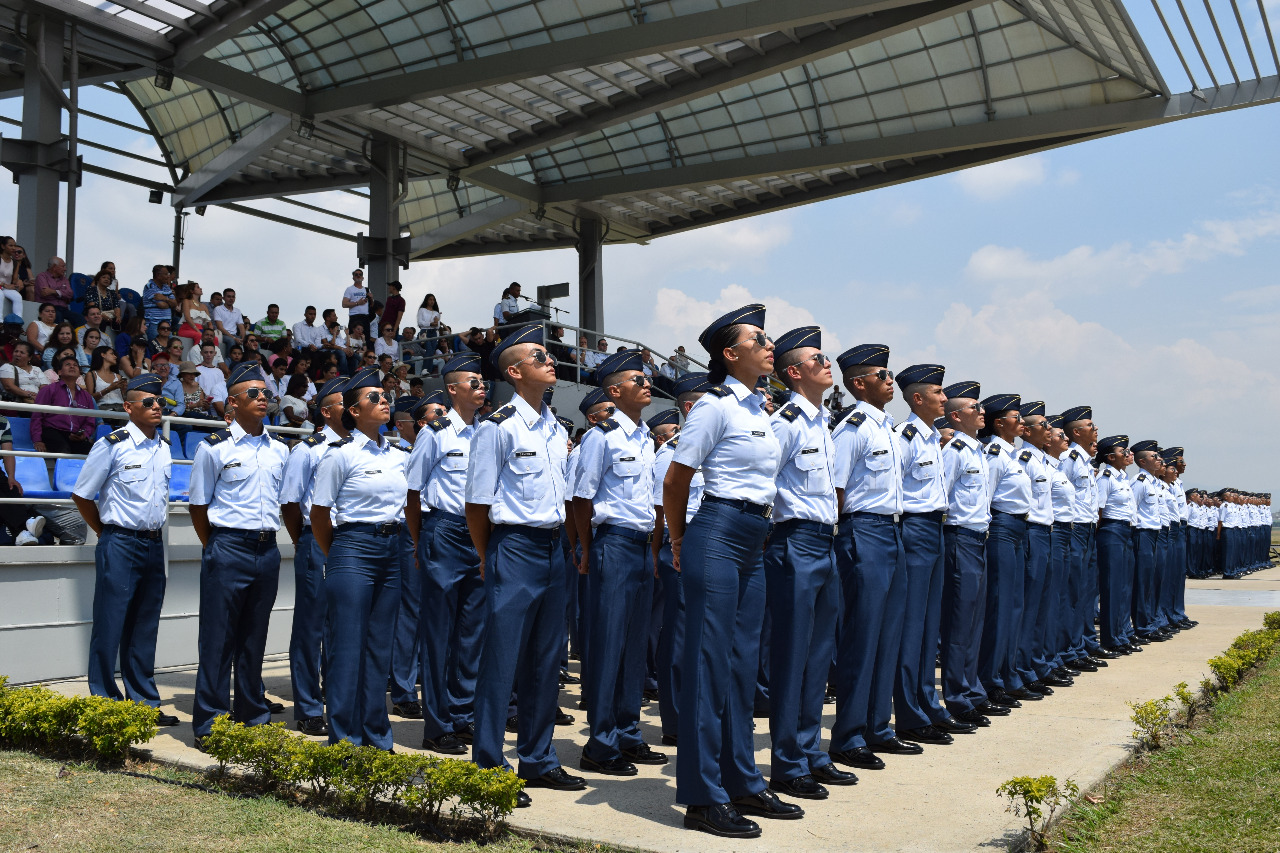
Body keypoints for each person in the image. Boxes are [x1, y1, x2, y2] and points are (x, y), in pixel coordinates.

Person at [663, 305, 797, 838]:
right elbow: (676, 481)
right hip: (716, 532)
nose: (770, 346)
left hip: (752, 539)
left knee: (743, 664)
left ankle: (743, 780)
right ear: (729, 354)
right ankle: (701, 795)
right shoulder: (713, 408)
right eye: (759, 339)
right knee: (707, 663)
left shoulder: (761, 410)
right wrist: (678, 539)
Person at [465, 323, 583, 808]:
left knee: (545, 659)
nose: (549, 360)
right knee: (501, 660)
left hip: (554, 548)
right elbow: (477, 504)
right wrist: (486, 556)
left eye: (548, 354)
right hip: (513, 546)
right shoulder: (499, 427)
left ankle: (537, 758)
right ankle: (490, 765)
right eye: (538, 356)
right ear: (514, 372)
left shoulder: (555, 427)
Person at [762, 327, 858, 800]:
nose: (828, 363)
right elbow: (763, 487)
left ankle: (811, 752)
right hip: (794, 542)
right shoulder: (786, 423)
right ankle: (786, 762)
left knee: (820, 656)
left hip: (825, 542)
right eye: (817, 358)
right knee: (792, 656)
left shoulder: (822, 423)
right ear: (794, 372)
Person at [572, 348, 665, 777]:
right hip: (611, 543)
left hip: (641, 545)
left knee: (632, 646)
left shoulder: (645, 437)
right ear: (614, 391)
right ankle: (601, 740)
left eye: (646, 378)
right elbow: (582, 498)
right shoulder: (601, 436)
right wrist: (587, 549)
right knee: (609, 643)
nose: (647, 384)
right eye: (636, 380)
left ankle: (629, 731)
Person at [189, 361, 292, 747]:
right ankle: (211, 721)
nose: (263, 398)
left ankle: (253, 713)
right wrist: (215, 546)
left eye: (266, 392)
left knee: (254, 637)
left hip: (267, 549)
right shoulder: (212, 449)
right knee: (217, 638)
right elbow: (199, 506)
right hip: (228, 545)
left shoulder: (280, 449)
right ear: (232, 403)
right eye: (254, 393)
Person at [70, 373, 179, 726]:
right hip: (119, 541)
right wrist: (106, 533)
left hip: (152, 543)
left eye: (159, 401)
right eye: (148, 402)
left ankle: (143, 701)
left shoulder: (164, 449)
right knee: (110, 622)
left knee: (144, 626)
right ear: (128, 407)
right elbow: (82, 496)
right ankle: (104, 700)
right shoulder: (112, 445)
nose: (156, 407)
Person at [308, 367, 408, 748]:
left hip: (391, 549)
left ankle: (377, 736)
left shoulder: (398, 453)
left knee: (380, 647)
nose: (384, 401)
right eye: (374, 398)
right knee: (348, 647)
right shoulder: (340, 455)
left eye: (385, 396)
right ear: (353, 411)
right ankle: (345, 738)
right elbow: (320, 514)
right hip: (352, 547)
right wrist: (338, 555)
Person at [829, 344, 917, 772]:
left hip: (892, 531)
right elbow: (837, 489)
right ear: (859, 383)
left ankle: (878, 728)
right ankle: (847, 736)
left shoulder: (888, 428)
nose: (890, 381)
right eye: (882, 374)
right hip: (862, 531)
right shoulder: (854, 426)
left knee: (888, 636)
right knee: (861, 639)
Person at [891, 363, 977, 746]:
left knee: (929, 627)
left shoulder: (931, 439)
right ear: (918, 398)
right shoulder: (906, 436)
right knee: (911, 628)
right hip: (913, 529)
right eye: (938, 393)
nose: (944, 398)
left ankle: (927, 703)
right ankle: (909, 712)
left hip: (935, 529)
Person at [405, 354, 486, 753]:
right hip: (445, 531)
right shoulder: (435, 433)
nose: (481, 386)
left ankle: (463, 715)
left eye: (482, 380)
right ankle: (437, 726)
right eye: (473, 381)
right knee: (438, 634)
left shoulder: (488, 431)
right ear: (453, 390)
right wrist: (422, 543)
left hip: (481, 535)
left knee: (471, 635)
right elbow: (414, 493)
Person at [279, 376, 349, 737]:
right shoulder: (308, 450)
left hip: (352, 543)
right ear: (325, 411)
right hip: (317, 541)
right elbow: (290, 504)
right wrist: (304, 541)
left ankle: (338, 701)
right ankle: (308, 707)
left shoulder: (361, 447)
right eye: (343, 402)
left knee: (342, 628)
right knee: (311, 627)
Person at [937, 382, 999, 726]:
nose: (982, 413)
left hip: (979, 538)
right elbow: (940, 497)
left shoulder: (977, 451)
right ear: (957, 416)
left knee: (974, 621)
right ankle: (957, 697)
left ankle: (972, 690)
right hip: (959, 538)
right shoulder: (956, 451)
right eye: (975, 408)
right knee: (959, 622)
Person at [1019, 405, 1074, 692]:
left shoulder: (1046, 463)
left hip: (1050, 533)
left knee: (1045, 604)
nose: (1052, 432)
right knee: (1031, 606)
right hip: (1033, 533)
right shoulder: (1025, 459)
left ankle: (1038, 662)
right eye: (1046, 427)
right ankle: (1026, 666)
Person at [1059, 406, 1111, 669]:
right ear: (1077, 432)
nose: (1096, 429)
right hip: (1075, 530)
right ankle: (1071, 649)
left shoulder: (1085, 461)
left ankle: (1085, 643)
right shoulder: (1068, 458)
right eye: (1091, 426)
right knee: (1074, 592)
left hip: (1089, 530)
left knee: (1088, 591)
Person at [1094, 435, 1139, 656]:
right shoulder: (1106, 477)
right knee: (1111, 587)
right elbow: (1099, 511)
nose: (1129, 454)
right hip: (1111, 531)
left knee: (1123, 586)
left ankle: (1122, 633)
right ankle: (1110, 637)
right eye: (1124, 451)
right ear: (1111, 457)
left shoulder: (1123, 478)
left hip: (1125, 531)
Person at [32, 356, 96, 455]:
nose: (72, 367)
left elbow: (90, 421)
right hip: (52, 431)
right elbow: (37, 416)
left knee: (95, 453)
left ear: (79, 373)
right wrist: (37, 440)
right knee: (63, 450)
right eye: (67, 365)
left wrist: (84, 435)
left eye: (75, 365)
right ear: (59, 372)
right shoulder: (49, 390)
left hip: (75, 436)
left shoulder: (86, 396)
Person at [35, 257, 78, 325]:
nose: (65, 269)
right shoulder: (42, 276)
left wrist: (53, 292)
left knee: (79, 318)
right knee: (58, 316)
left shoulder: (64, 279)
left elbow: (70, 294)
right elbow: (45, 294)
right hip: (49, 308)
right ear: (54, 267)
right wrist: (62, 294)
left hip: (64, 308)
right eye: (63, 266)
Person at [86, 346, 127, 412]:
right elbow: (90, 398)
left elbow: (124, 398)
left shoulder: (118, 376)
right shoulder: (92, 375)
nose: (115, 357)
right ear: (103, 355)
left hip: (121, 407)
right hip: (103, 409)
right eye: (112, 354)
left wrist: (125, 391)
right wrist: (109, 389)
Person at [142, 265, 176, 340]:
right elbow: (161, 305)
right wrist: (169, 303)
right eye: (166, 274)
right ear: (158, 275)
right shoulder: (149, 286)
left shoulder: (166, 287)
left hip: (167, 325)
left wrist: (164, 298)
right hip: (154, 324)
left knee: (169, 350)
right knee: (156, 349)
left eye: (169, 274)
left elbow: (174, 304)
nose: (168, 277)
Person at [176, 283, 216, 347]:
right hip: (187, 328)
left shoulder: (204, 306)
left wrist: (211, 333)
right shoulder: (186, 301)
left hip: (201, 329)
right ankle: (197, 355)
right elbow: (187, 318)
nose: (200, 288)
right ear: (192, 291)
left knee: (215, 339)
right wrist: (198, 331)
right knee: (199, 336)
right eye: (197, 287)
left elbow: (210, 324)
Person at [195, 343, 229, 418]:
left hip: (218, 404)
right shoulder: (196, 369)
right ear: (201, 353)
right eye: (206, 352)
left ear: (215, 353)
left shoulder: (219, 371)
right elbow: (194, 387)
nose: (208, 355)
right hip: (203, 406)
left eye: (211, 352)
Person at [214, 288, 247, 354]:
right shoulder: (218, 309)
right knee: (231, 341)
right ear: (223, 298)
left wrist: (243, 338)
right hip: (223, 335)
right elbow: (220, 327)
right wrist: (234, 338)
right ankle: (230, 361)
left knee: (249, 341)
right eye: (228, 296)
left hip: (235, 335)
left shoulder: (237, 311)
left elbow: (241, 327)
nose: (231, 299)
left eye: (233, 297)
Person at [0, 236, 22, 317]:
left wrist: (18, 283)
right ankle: (0, 321)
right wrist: (4, 285)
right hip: (2, 286)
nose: (13, 248)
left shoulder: (15, 263)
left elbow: (14, 280)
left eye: (14, 246)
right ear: (3, 246)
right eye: (10, 245)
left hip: (6, 287)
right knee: (0, 294)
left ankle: (18, 321)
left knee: (17, 297)